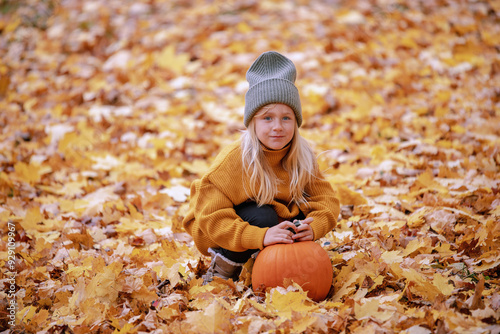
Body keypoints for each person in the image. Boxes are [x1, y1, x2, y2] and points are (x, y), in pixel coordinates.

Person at [182, 51, 340, 283]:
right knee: (262, 214)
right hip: (219, 228)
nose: (278, 126)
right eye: (267, 118)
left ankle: (266, 259)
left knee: (295, 214)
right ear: (252, 122)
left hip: (272, 224)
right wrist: (261, 235)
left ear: (296, 122)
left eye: (286, 118)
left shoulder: (301, 156)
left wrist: (314, 227)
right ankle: (222, 270)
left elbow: (326, 199)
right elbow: (212, 218)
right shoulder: (235, 160)